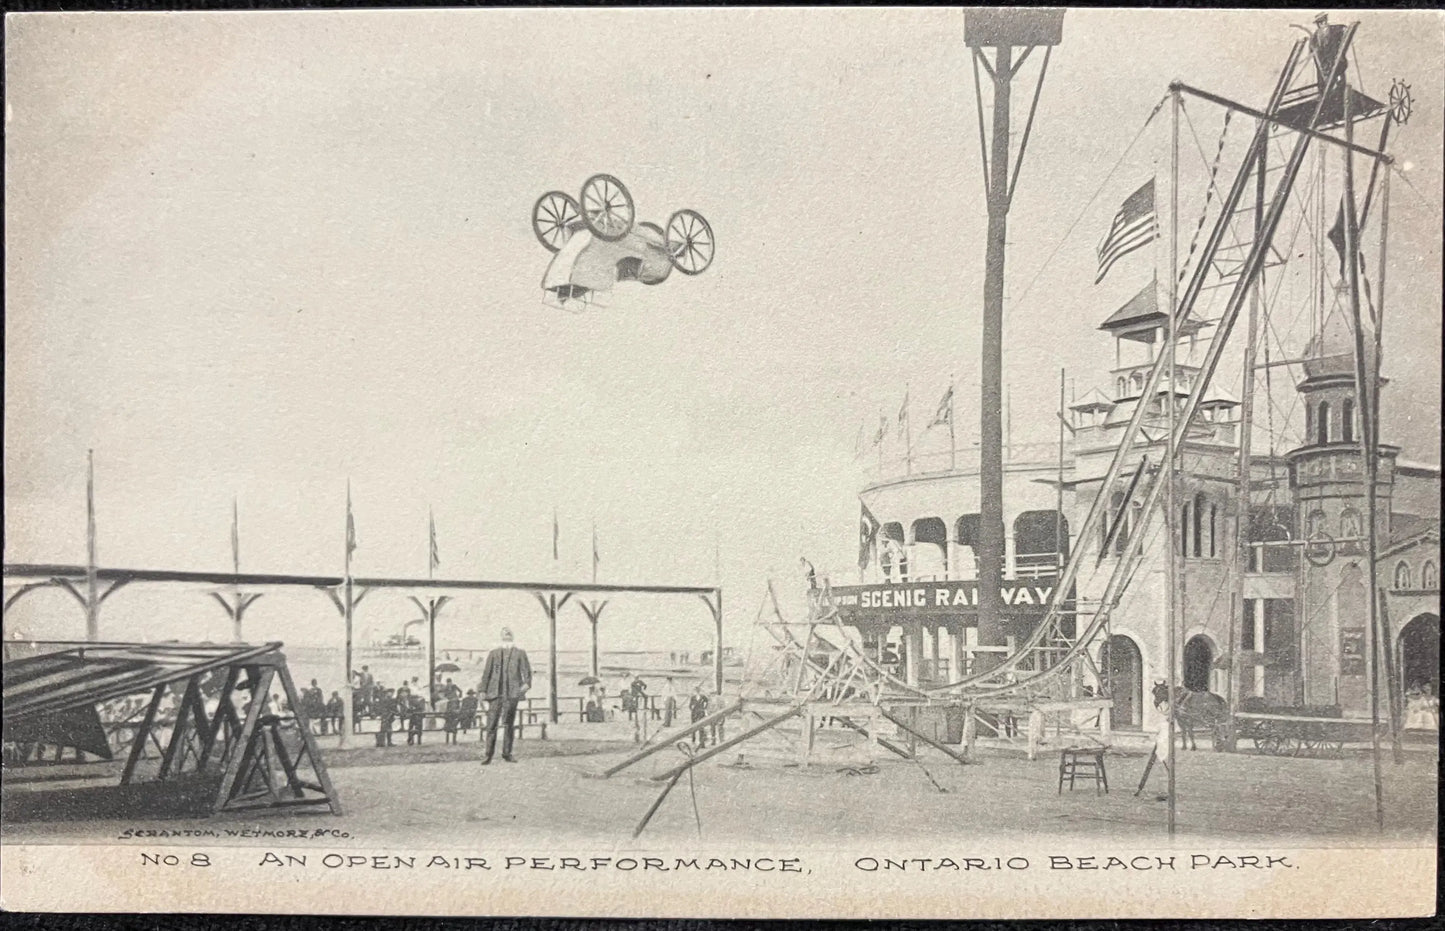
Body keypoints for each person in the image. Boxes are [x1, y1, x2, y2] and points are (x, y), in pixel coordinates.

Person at [479, 626, 531, 764]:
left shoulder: (520, 653)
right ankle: (488, 755)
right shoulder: (493, 653)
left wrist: (524, 687)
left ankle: (507, 753)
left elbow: (527, 674)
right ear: (501, 637)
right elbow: (486, 674)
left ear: (512, 636)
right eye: (504, 634)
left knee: (508, 725)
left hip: (511, 695)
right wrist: (482, 691)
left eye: (509, 633)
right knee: (491, 725)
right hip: (494, 694)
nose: (506, 635)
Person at [1134, 701, 1174, 800]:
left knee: (1163, 769)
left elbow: (1157, 731)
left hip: (1164, 745)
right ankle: (1164, 791)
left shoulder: (1164, 721)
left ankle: (1164, 792)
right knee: (1164, 769)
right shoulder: (1164, 720)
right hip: (1164, 743)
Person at [688, 683, 710, 748]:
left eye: (698, 690)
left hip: (701, 713)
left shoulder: (703, 697)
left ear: (699, 691)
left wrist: (704, 708)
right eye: (696, 690)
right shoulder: (693, 697)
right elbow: (689, 705)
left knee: (701, 728)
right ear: (695, 691)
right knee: (693, 728)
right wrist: (692, 709)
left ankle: (701, 743)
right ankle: (693, 741)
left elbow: (707, 701)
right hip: (694, 713)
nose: (697, 691)